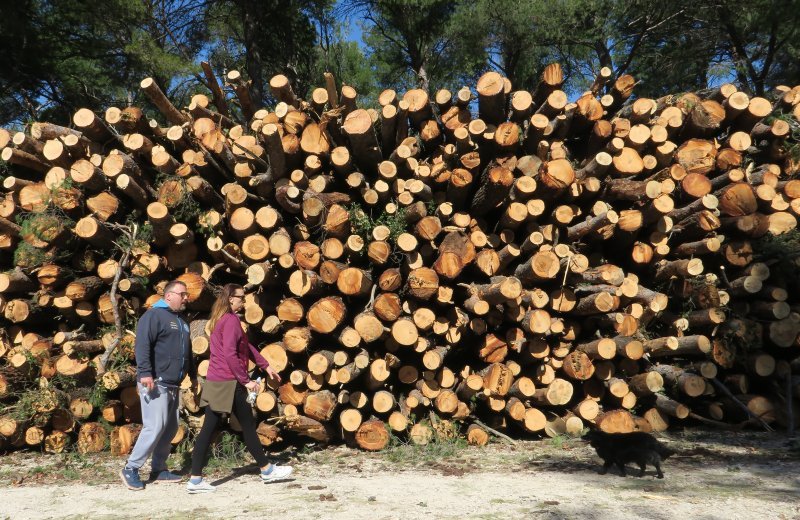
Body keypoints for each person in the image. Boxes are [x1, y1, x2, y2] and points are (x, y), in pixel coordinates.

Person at [187, 283, 293, 493]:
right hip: (227, 383)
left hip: (223, 382)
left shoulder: (225, 320)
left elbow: (245, 346)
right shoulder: (231, 320)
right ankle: (196, 480)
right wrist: (245, 380)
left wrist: (266, 365)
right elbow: (230, 354)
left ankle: (265, 469)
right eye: (241, 298)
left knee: (244, 425)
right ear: (230, 298)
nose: (244, 301)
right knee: (214, 430)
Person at [120, 280, 195, 490]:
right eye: (183, 294)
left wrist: (194, 375)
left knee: (170, 428)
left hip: (173, 384)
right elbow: (142, 344)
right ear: (169, 295)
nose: (186, 297)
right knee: (154, 427)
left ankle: (159, 468)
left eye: (186, 294)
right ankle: (131, 468)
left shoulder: (182, 321)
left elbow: (187, 352)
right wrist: (144, 373)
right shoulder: (153, 316)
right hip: (155, 382)